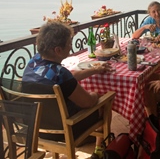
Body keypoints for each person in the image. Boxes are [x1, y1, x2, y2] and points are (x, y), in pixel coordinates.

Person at [22, 21, 112, 159]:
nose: (71, 46)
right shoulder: (61, 74)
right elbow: (87, 102)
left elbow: (70, 77)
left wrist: (95, 70)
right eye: (69, 43)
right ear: (58, 50)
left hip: (34, 128)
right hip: (64, 130)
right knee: (105, 103)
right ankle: (99, 149)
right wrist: (96, 95)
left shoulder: (34, 62)